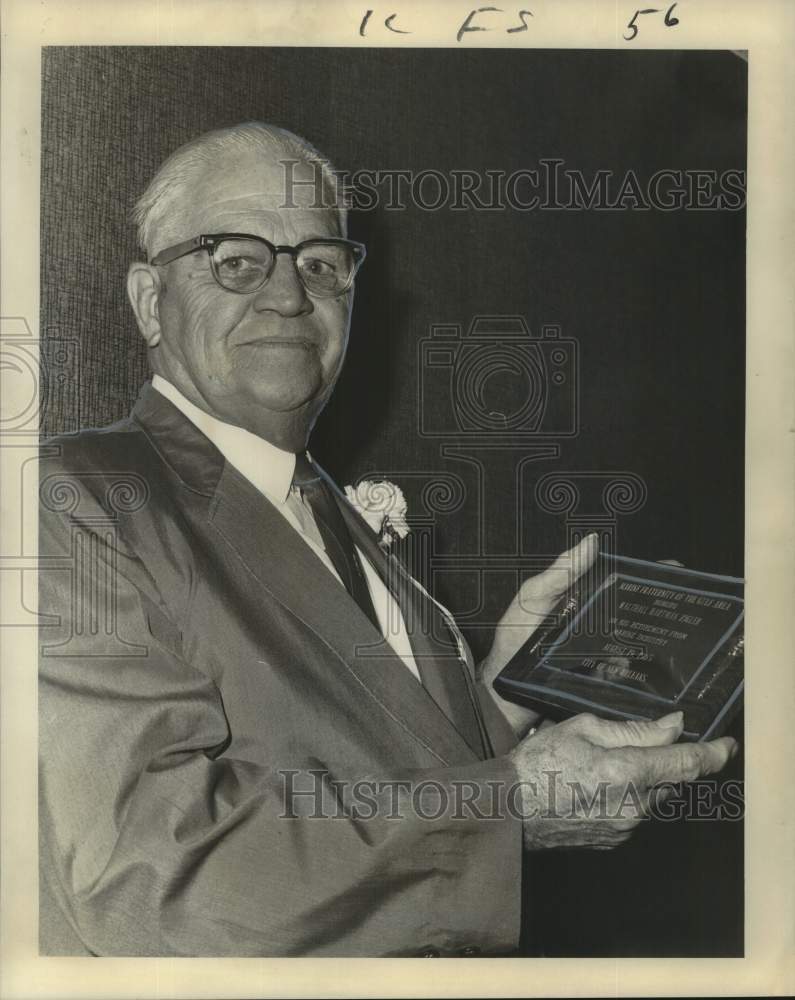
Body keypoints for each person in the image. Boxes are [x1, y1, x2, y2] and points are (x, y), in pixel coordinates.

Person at [38, 122, 736, 957]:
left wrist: (502, 690)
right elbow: (147, 875)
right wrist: (512, 813)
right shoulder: (75, 499)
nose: (290, 296)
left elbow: (376, 772)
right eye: (236, 260)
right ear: (151, 301)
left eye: (321, 263)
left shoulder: (326, 508)